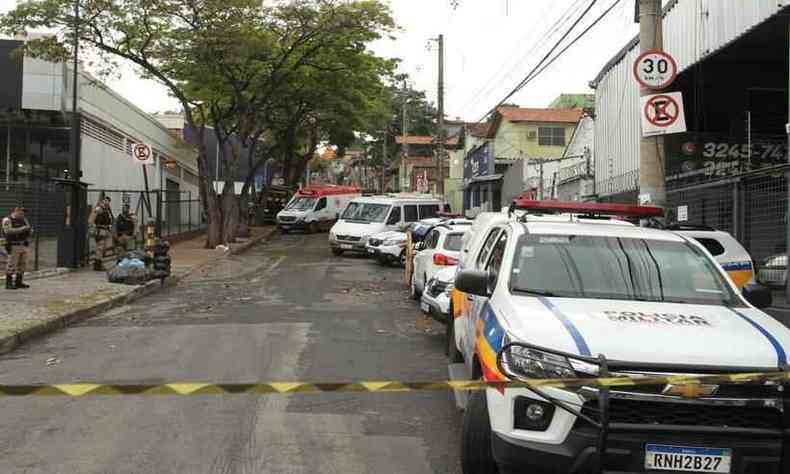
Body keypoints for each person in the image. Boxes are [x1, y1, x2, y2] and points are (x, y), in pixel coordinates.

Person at [2, 206, 33, 290]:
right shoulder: (7, 220)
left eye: (24, 212)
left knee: (23, 264)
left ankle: (19, 282)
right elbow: (7, 231)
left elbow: (28, 228)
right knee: (12, 264)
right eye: (21, 212)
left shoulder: (24, 219)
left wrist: (30, 231)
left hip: (24, 244)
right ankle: (8, 283)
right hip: (13, 245)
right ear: (16, 211)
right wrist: (22, 229)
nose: (23, 214)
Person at [89, 196, 114, 271]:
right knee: (100, 248)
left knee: (103, 249)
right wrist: (93, 229)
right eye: (105, 201)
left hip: (105, 230)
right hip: (100, 230)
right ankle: (97, 265)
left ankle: (98, 263)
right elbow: (91, 219)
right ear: (102, 201)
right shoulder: (98, 209)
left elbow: (110, 220)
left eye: (108, 201)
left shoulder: (107, 210)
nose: (107, 202)